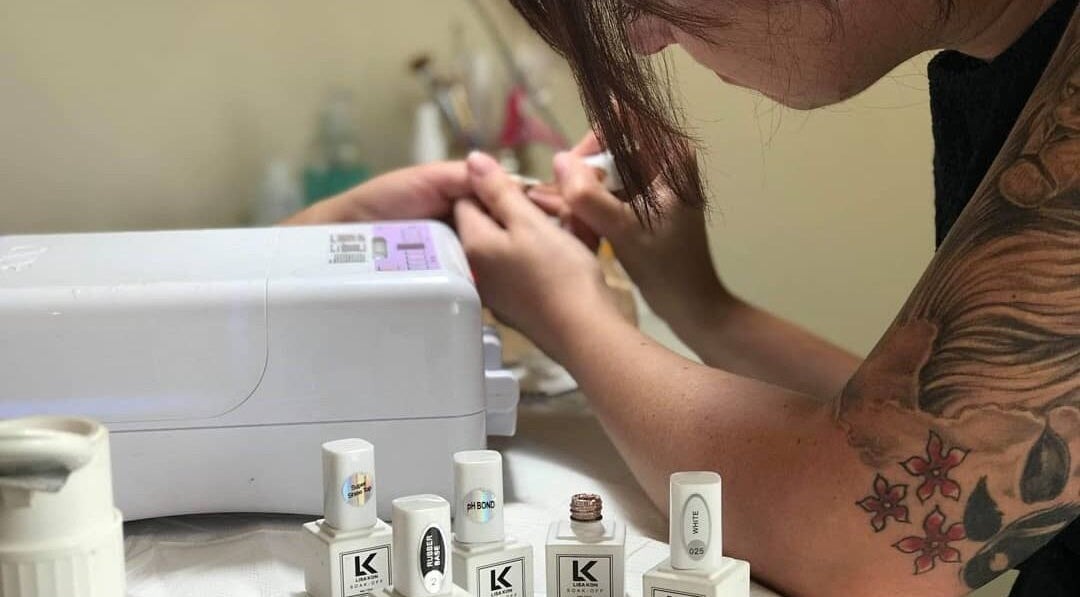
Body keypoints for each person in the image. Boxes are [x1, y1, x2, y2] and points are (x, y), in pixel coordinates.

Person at [288, 0, 1079, 594]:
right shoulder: (1021, 56)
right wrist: (702, 305)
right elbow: (953, 432)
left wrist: (567, 310)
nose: (640, 35)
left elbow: (868, 529)